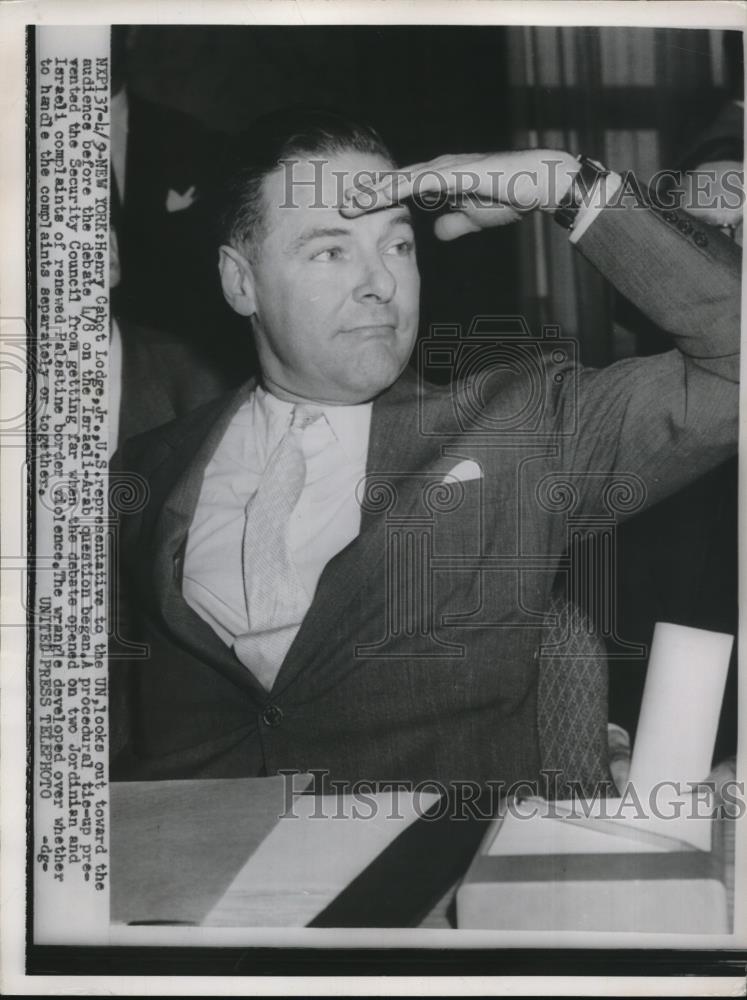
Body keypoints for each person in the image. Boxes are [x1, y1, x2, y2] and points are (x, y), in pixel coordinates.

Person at [109, 109, 740, 788]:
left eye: (397, 245)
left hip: (438, 880)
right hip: (179, 877)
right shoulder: (145, 471)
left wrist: (568, 186)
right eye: (330, 250)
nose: (378, 281)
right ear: (240, 282)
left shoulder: (515, 432)